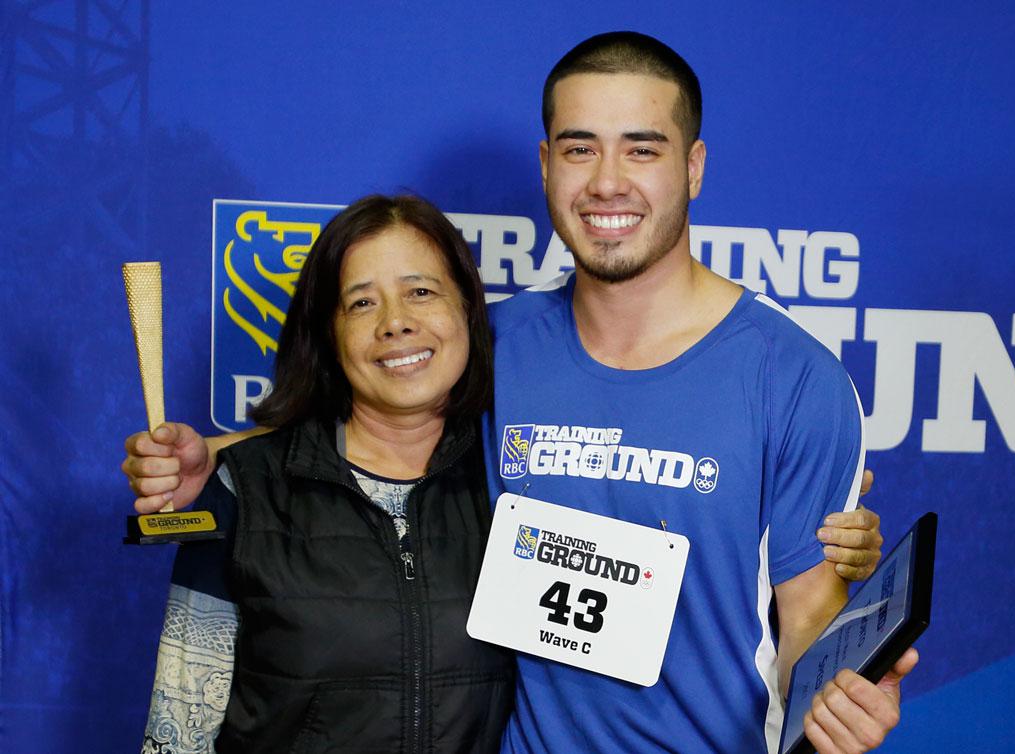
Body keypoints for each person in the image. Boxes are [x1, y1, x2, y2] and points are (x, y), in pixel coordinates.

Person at [127, 32, 910, 754]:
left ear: (695, 166)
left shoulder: (796, 378)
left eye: (642, 149)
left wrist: (840, 701)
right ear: (545, 164)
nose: (607, 181)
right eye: (580, 148)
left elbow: (811, 620)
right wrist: (213, 460)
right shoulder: (496, 346)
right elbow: (364, 431)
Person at [140, 195, 515, 752]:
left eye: (421, 291)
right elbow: (179, 729)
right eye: (362, 304)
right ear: (329, 335)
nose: (395, 324)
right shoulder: (243, 488)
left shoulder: (519, 482)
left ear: (467, 308)